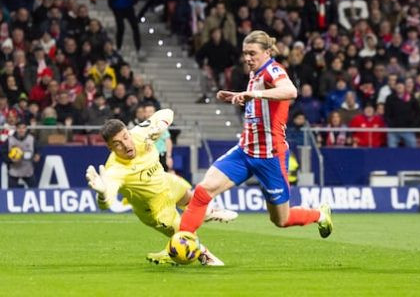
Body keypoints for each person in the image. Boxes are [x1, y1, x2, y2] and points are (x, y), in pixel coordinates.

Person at [178, 30, 333, 245]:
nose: (247, 58)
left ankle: (319, 215)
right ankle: (180, 245)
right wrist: (238, 96)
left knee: (281, 219)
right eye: (245, 53)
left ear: (267, 52)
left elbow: (290, 91)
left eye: (252, 53)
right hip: (245, 151)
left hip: (270, 156)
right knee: (203, 191)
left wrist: (255, 95)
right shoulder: (255, 75)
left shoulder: (273, 70)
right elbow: (261, 104)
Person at [84, 109, 237, 266]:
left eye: (125, 137)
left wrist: (160, 126)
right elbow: (105, 204)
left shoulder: (141, 133)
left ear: (129, 132)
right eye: (118, 144)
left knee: (190, 196)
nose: (126, 144)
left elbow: (167, 112)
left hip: (166, 182)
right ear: (110, 148)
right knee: (184, 234)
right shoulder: (114, 170)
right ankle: (203, 256)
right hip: (154, 208)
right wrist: (102, 194)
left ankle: (207, 212)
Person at [3, 122, 40, 188]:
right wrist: (11, 160)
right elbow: (3, 153)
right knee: (11, 193)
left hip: (28, 171)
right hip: (14, 171)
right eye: (19, 128)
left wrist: (38, 155)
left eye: (23, 128)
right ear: (16, 129)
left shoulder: (31, 139)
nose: (21, 130)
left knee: (35, 191)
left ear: (26, 129)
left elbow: (39, 149)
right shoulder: (9, 140)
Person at [143, 103, 173, 172]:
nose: (148, 114)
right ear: (144, 114)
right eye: (146, 112)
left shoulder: (161, 125)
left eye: (150, 111)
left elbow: (168, 141)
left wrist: (168, 157)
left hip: (161, 155)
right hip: (148, 157)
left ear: (155, 113)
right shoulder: (142, 127)